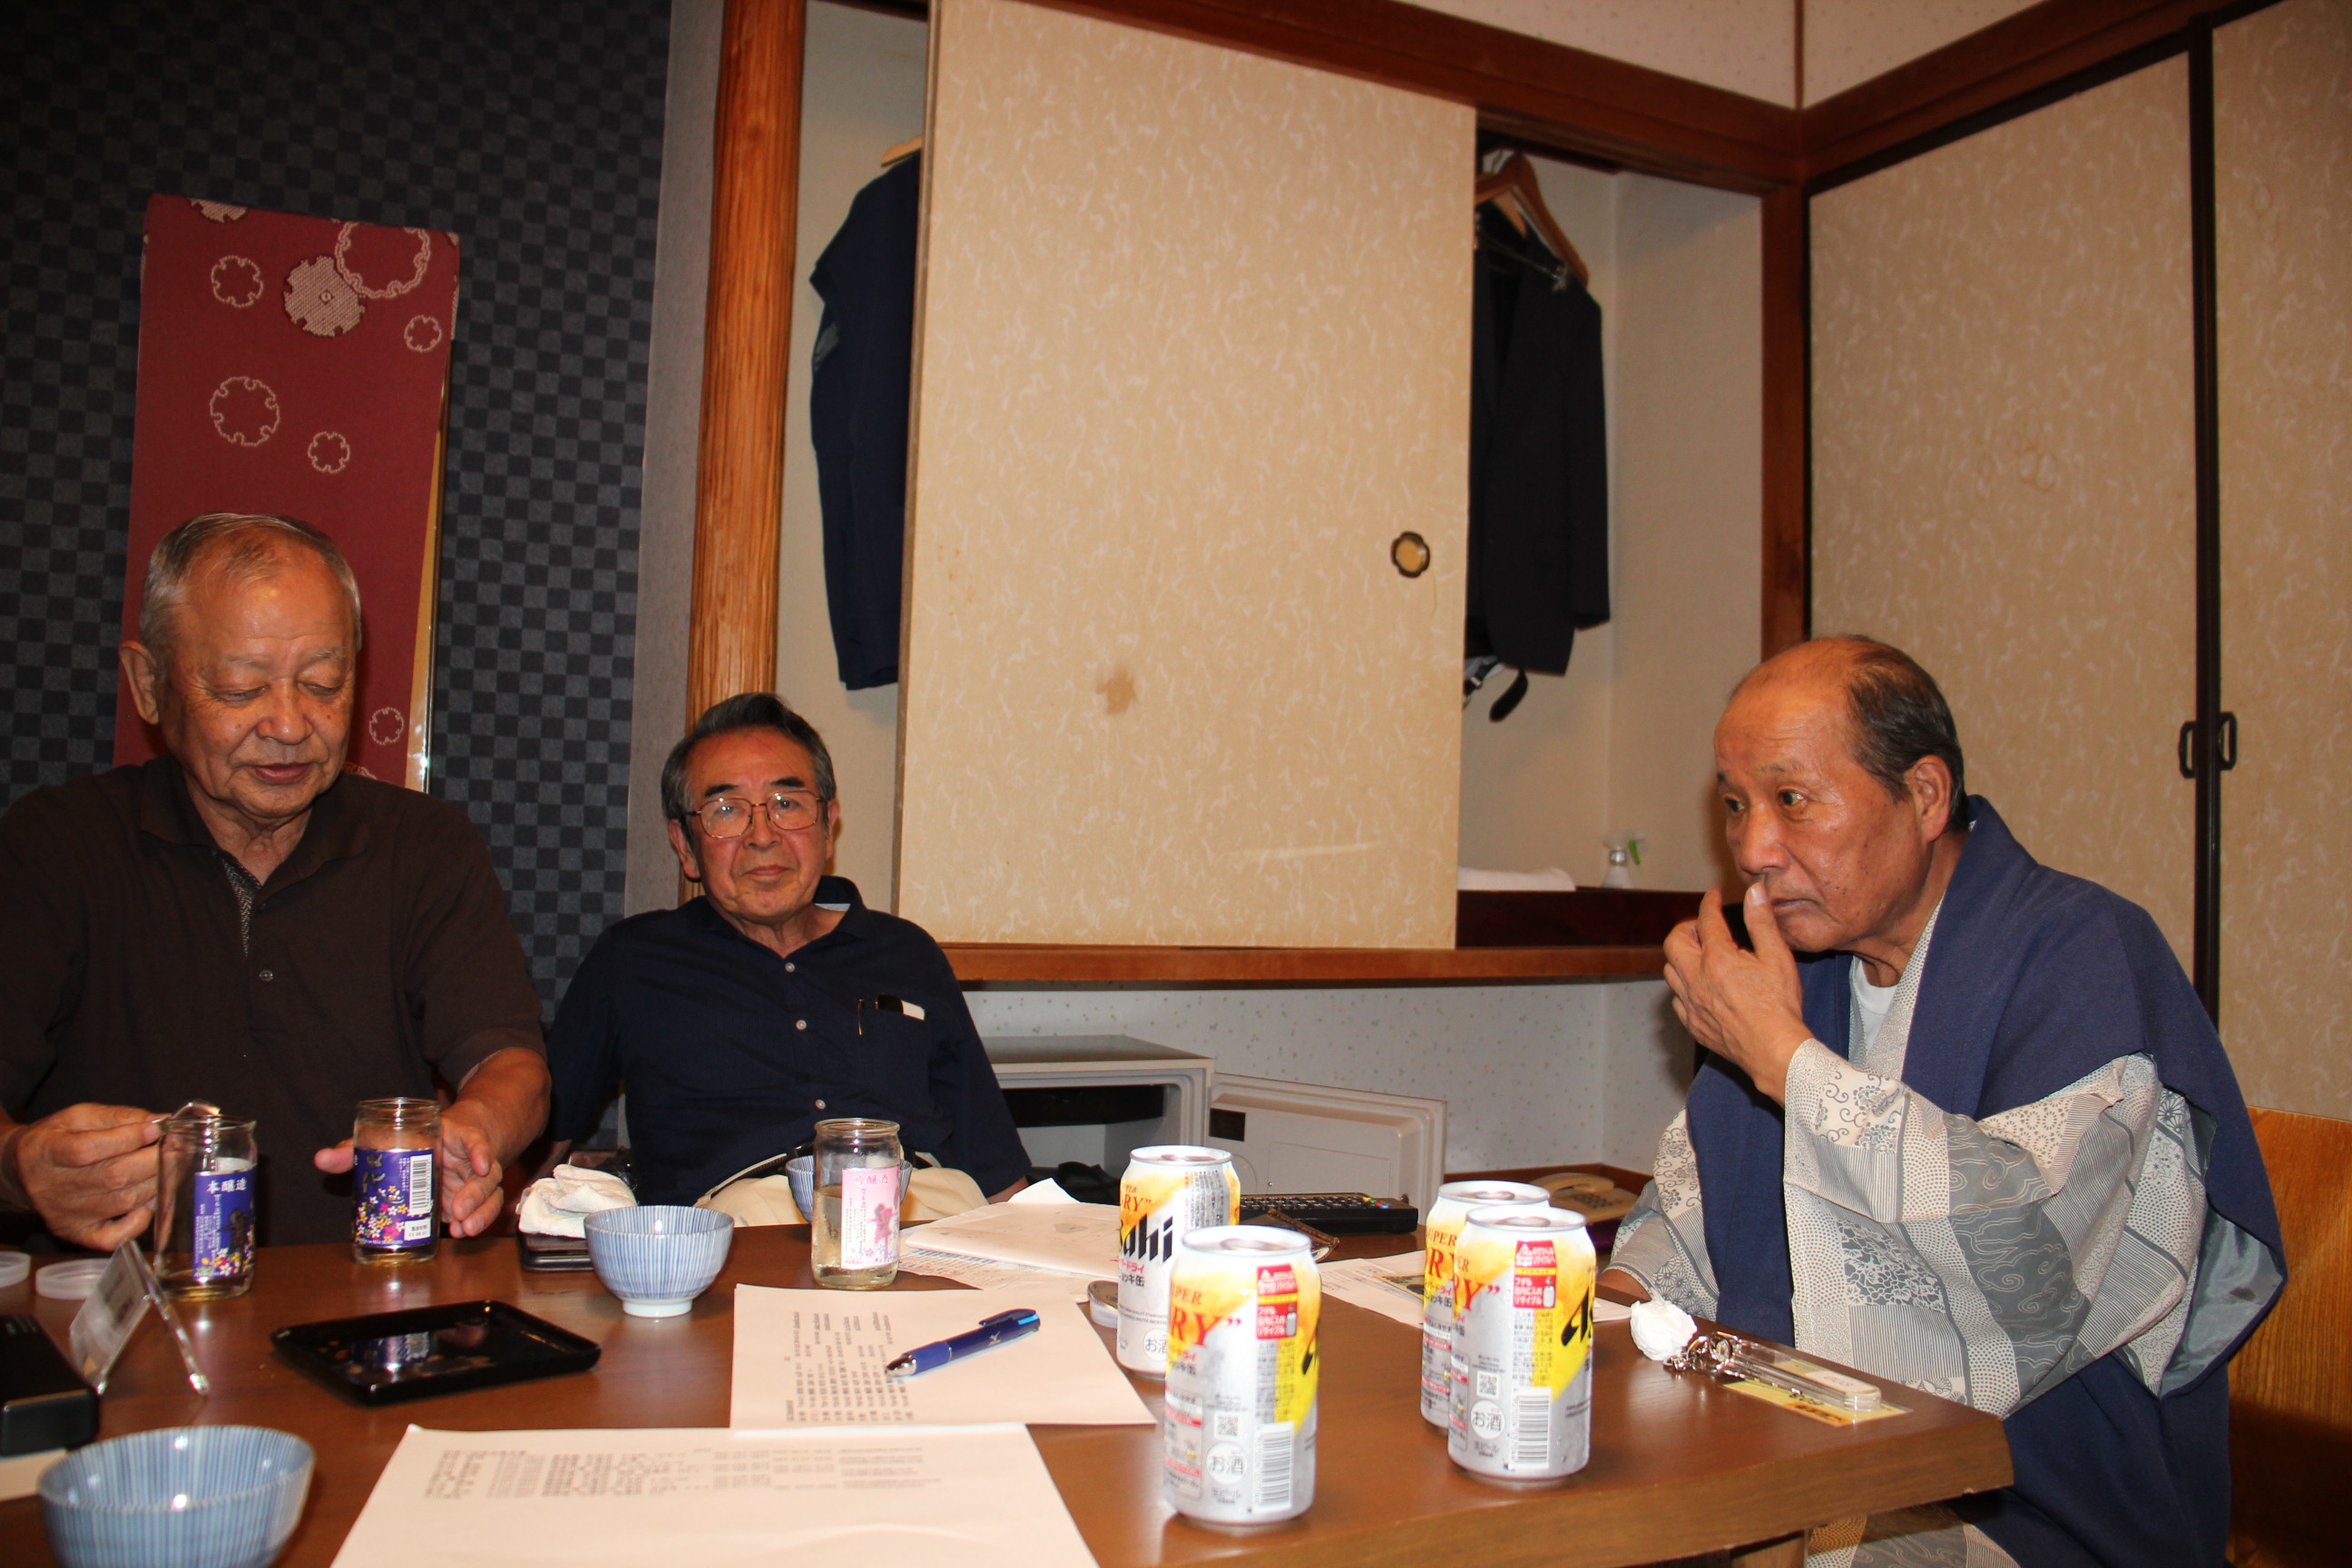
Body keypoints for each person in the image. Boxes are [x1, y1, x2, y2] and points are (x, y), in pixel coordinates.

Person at [1606, 637, 2283, 1568]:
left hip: (2033, 1506)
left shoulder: (2084, 956)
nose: (1755, 849)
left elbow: (2025, 1271)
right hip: (1795, 1456)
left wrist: (1786, 1059)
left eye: (1791, 800)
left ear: (1925, 796)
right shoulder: (1800, 973)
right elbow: (1690, 1224)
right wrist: (1594, 1315)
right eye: (1735, 805)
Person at [0, 514, 549, 1249]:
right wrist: (21, 1166)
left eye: (324, 683)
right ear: (149, 685)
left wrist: (476, 1129)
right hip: (122, 1297)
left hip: (366, 1291)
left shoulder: (423, 846)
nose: (291, 725)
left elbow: (511, 1063)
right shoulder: (56, 845)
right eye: (241, 689)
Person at [545, 693, 1029, 1210]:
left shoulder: (906, 952)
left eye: (787, 804)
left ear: (828, 827)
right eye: (726, 810)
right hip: (743, 1223)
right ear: (685, 846)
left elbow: (994, 1167)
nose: (762, 836)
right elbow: (539, 1136)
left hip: (919, 1208)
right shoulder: (634, 961)